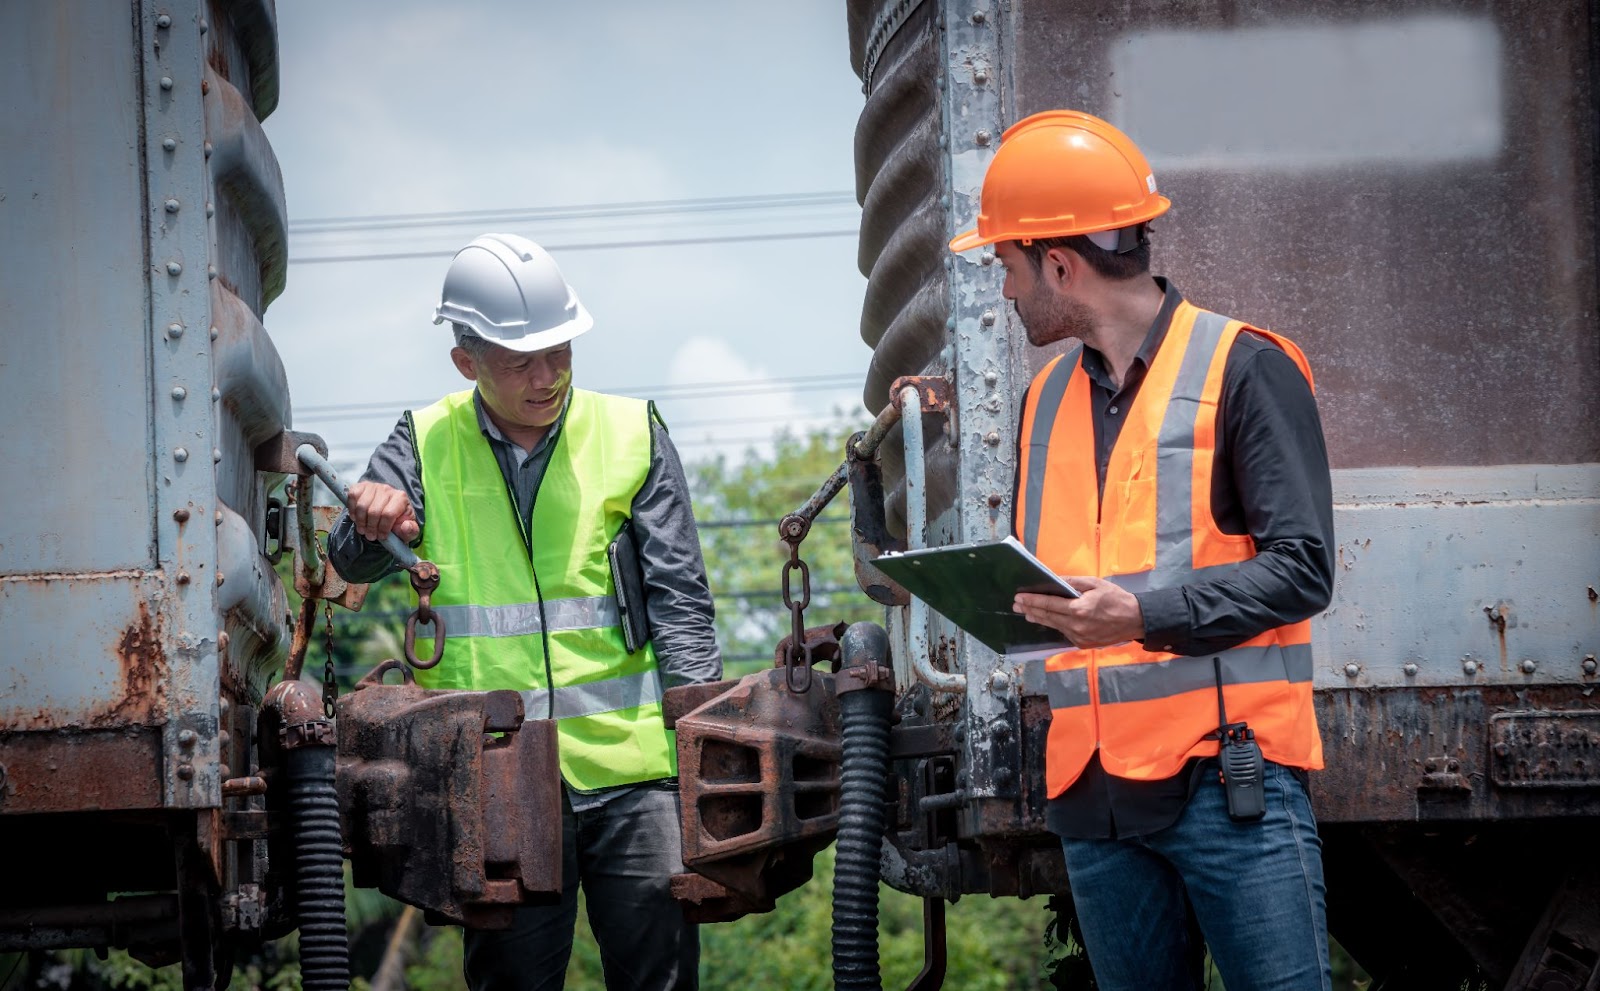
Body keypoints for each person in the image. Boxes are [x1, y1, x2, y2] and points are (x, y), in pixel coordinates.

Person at [950, 111, 1335, 990]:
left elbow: (1305, 566)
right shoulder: (1045, 400)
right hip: (1094, 803)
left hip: (1229, 786)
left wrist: (1142, 614)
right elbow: (1062, 584)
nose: (1004, 292)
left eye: (1006, 266)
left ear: (1059, 262)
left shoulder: (1245, 368)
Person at [328, 233, 720, 991]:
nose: (547, 377)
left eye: (560, 351)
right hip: (493, 780)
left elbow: (682, 607)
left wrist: (701, 760)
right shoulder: (422, 439)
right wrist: (372, 518)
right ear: (466, 362)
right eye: (520, 362)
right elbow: (351, 559)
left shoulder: (632, 432)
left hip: (634, 776)